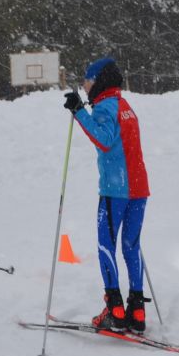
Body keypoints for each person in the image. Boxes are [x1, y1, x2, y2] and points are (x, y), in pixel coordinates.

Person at [65, 56, 150, 333]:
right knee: (131, 246)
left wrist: (79, 112)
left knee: (106, 245)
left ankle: (114, 308)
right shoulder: (125, 106)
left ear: (99, 81)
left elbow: (103, 139)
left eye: (87, 81)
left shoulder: (104, 108)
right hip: (138, 189)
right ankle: (137, 311)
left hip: (116, 190)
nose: (84, 86)